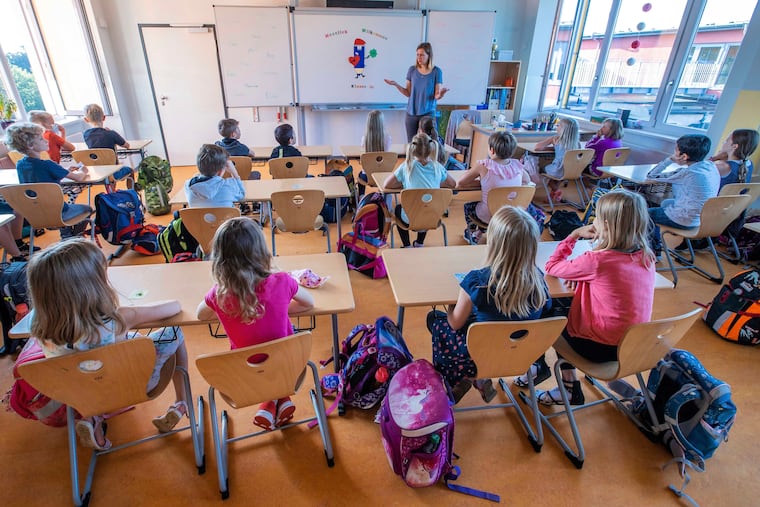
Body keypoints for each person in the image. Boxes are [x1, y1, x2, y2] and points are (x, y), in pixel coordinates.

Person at [27, 239, 190, 450]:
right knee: (173, 332)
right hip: (133, 385)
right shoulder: (116, 319)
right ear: (92, 285)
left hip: (76, 393)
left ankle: (92, 418)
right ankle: (181, 403)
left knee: (89, 364)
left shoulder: (37, 323)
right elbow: (173, 307)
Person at [516, 190, 655, 405]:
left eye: (597, 217)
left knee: (545, 307)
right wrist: (583, 280)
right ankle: (545, 372)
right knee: (563, 303)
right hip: (632, 347)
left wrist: (573, 235)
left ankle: (557, 379)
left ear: (606, 226)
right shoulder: (646, 256)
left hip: (599, 348)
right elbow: (615, 288)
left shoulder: (598, 261)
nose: (593, 221)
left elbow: (551, 267)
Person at [196, 217, 314, 431]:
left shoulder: (219, 295)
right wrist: (277, 309)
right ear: (261, 252)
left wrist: (231, 310)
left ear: (220, 259)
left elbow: (200, 315)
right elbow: (308, 304)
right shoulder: (283, 281)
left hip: (244, 376)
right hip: (289, 366)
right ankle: (281, 398)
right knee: (277, 354)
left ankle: (269, 403)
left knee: (259, 362)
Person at [428, 206, 551, 403]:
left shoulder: (477, 281)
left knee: (436, 321)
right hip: (521, 356)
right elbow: (545, 311)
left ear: (494, 243)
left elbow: (454, 324)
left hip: (477, 355)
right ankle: (478, 379)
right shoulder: (539, 281)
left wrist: (451, 304)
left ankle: (460, 378)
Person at [4, 122, 91, 239]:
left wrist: (62, 170)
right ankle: (73, 237)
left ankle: (67, 235)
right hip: (60, 213)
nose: (45, 140)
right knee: (88, 209)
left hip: (35, 216)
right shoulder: (48, 165)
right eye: (41, 139)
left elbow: (38, 178)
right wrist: (83, 170)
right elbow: (79, 178)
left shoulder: (20, 165)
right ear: (30, 145)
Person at [646, 134, 720, 259]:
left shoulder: (687, 173)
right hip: (702, 219)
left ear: (684, 156)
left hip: (685, 219)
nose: (674, 152)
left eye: (676, 150)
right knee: (665, 204)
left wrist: (670, 159)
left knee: (643, 213)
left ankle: (653, 251)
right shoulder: (711, 166)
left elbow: (651, 175)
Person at [457, 131, 532, 245]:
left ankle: (473, 233)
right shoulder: (517, 166)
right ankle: (485, 231)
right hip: (512, 214)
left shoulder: (484, 165)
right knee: (491, 205)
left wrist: (483, 182)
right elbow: (527, 181)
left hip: (489, 215)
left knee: (469, 207)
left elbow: (461, 182)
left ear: (491, 150)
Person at [383, 132, 455, 247]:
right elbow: (452, 183)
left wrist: (404, 183)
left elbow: (387, 184)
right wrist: (435, 183)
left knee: (398, 208)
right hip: (432, 217)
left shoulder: (407, 166)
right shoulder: (438, 167)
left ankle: (406, 245)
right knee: (427, 203)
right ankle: (419, 243)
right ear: (431, 148)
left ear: (412, 148)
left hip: (409, 219)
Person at [384, 42, 450, 142]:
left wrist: (441, 94)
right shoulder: (412, 70)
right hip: (411, 113)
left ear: (429, 56)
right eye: (417, 55)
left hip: (428, 112)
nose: (419, 58)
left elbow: (436, 95)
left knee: (427, 143)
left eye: (422, 55)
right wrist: (396, 84)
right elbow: (408, 93)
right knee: (412, 143)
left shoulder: (436, 71)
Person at [533, 117, 581, 202]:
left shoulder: (556, 139)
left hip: (557, 170)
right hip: (571, 170)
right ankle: (552, 196)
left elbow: (537, 147)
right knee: (558, 177)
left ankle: (556, 191)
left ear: (563, 129)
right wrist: (552, 148)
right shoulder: (577, 143)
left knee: (544, 173)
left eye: (558, 125)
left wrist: (549, 145)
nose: (556, 127)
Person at [184, 144, 244, 208]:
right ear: (220, 172)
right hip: (227, 218)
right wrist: (235, 174)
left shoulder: (188, 185)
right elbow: (242, 194)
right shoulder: (228, 185)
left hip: (198, 217)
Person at [357, 110, 392, 193]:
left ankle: (361, 197)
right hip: (383, 176)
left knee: (359, 175)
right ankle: (383, 196)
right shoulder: (388, 139)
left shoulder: (364, 139)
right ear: (382, 123)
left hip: (367, 176)